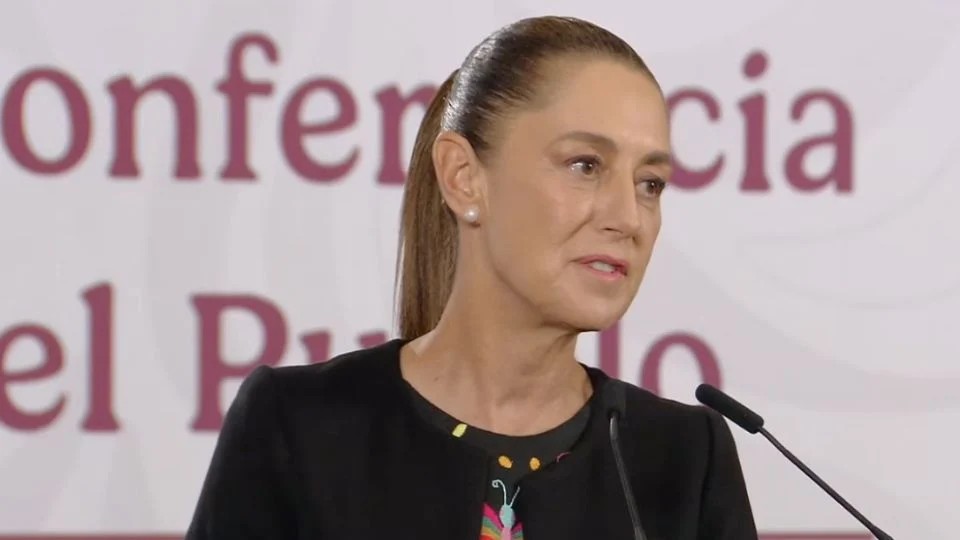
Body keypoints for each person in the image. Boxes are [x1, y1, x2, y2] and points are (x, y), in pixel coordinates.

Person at [185, 15, 757, 540]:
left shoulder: (686, 459)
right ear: (463, 177)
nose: (628, 218)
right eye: (585, 165)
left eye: (650, 183)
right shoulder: (297, 427)